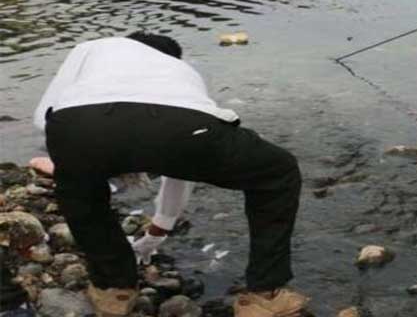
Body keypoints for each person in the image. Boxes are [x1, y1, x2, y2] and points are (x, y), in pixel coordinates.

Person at [34, 32, 307, 317]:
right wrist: (162, 224)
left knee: (79, 188)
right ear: (171, 57)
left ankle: (114, 289)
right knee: (278, 171)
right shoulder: (181, 71)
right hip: (181, 127)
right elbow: (181, 166)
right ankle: (264, 297)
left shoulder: (91, 48)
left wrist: (86, 160)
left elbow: (45, 116)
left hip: (76, 125)